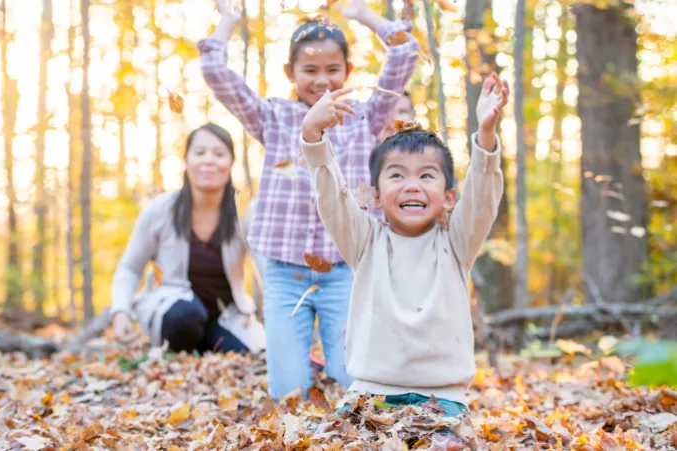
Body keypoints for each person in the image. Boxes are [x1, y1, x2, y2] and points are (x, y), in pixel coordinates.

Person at [198, 0, 420, 399]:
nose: (322, 81)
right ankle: (299, 372)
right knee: (288, 392)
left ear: (348, 72)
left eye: (333, 70)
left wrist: (364, 16)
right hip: (286, 273)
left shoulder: (366, 117)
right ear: (291, 73)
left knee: (354, 382)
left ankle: (341, 371)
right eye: (310, 70)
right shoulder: (273, 117)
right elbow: (216, 73)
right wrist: (227, 22)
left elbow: (405, 52)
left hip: (345, 272)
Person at [298, 73, 509, 432]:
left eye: (427, 176)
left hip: (442, 399)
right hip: (369, 394)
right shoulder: (364, 241)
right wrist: (312, 137)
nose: (412, 184)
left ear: (448, 198)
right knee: (330, 441)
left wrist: (486, 137)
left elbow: (482, 199)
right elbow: (332, 198)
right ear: (376, 196)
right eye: (396, 175)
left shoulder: (456, 243)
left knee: (447, 444)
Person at [109, 123, 265, 355]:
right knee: (187, 317)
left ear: (231, 162)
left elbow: (268, 271)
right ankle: (179, 349)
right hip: (172, 307)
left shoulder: (245, 213)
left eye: (219, 154)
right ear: (186, 160)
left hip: (226, 315)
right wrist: (120, 312)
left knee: (252, 353)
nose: (209, 160)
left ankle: (210, 344)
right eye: (200, 153)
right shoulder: (160, 210)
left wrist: (271, 317)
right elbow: (130, 267)